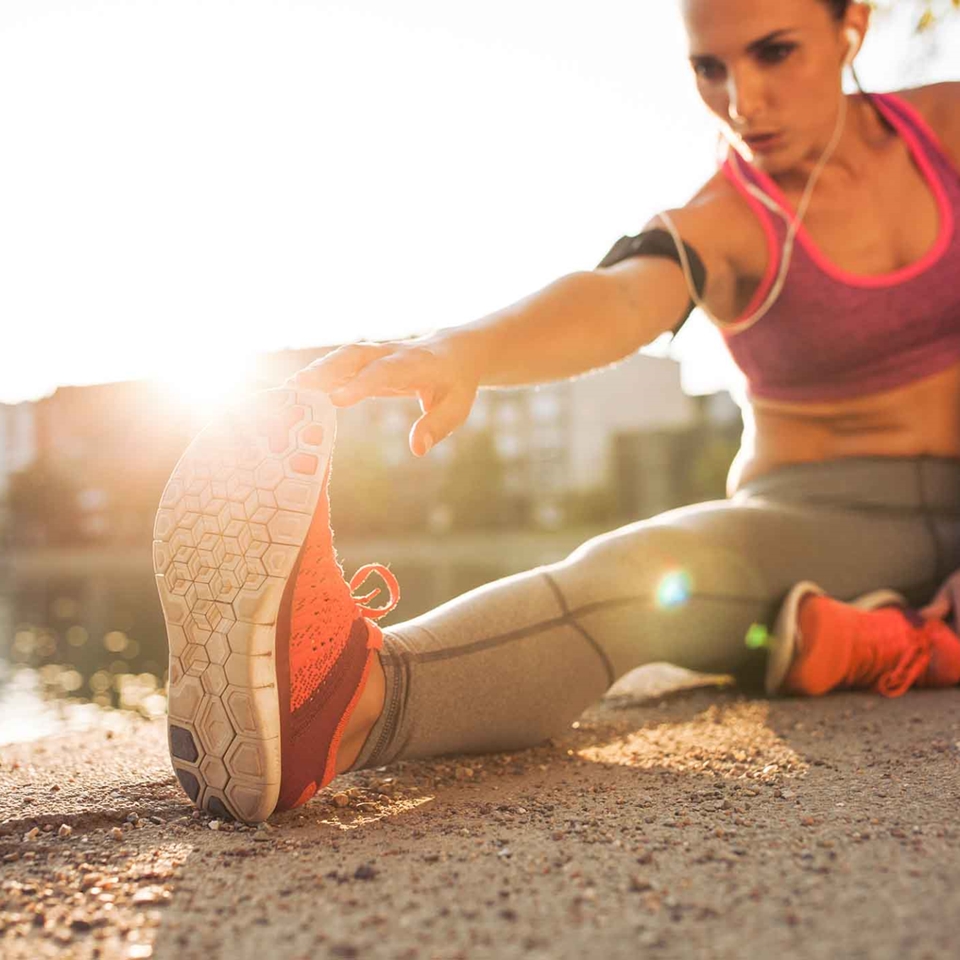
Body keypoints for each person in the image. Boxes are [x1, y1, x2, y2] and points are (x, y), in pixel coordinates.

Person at [155, 0, 960, 824]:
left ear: (851, 25)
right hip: (819, 524)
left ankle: (893, 644)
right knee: (635, 578)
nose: (743, 101)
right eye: (708, 68)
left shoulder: (948, 127)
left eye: (775, 53)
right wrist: (462, 350)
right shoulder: (727, 219)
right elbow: (615, 300)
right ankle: (338, 705)